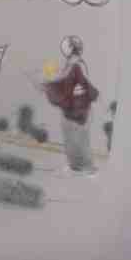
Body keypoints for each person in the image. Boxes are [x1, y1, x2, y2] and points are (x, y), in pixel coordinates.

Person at [41, 35, 99, 171]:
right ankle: (76, 166)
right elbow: (63, 81)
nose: (65, 50)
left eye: (67, 47)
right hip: (72, 110)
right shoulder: (70, 66)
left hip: (79, 110)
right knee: (71, 140)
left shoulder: (77, 66)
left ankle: (86, 167)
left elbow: (83, 86)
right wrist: (49, 84)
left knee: (79, 140)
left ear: (72, 49)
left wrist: (50, 85)